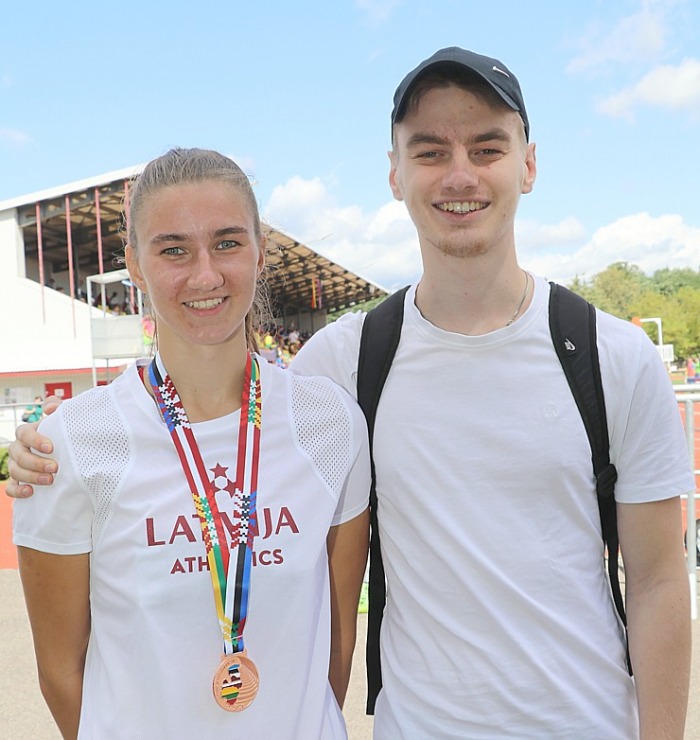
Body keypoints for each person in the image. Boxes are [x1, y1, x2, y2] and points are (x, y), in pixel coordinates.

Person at [7, 49, 693, 738]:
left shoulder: (612, 358)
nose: (459, 174)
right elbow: (206, 412)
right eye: (429, 152)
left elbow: (661, 581)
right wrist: (43, 449)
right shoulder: (347, 364)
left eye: (487, 147)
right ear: (396, 173)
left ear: (529, 164)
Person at [11, 148, 370, 739]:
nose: (205, 275)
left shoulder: (329, 424)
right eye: (173, 248)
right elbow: (59, 674)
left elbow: (335, 646)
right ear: (132, 262)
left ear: (259, 249)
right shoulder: (71, 444)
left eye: (227, 242)